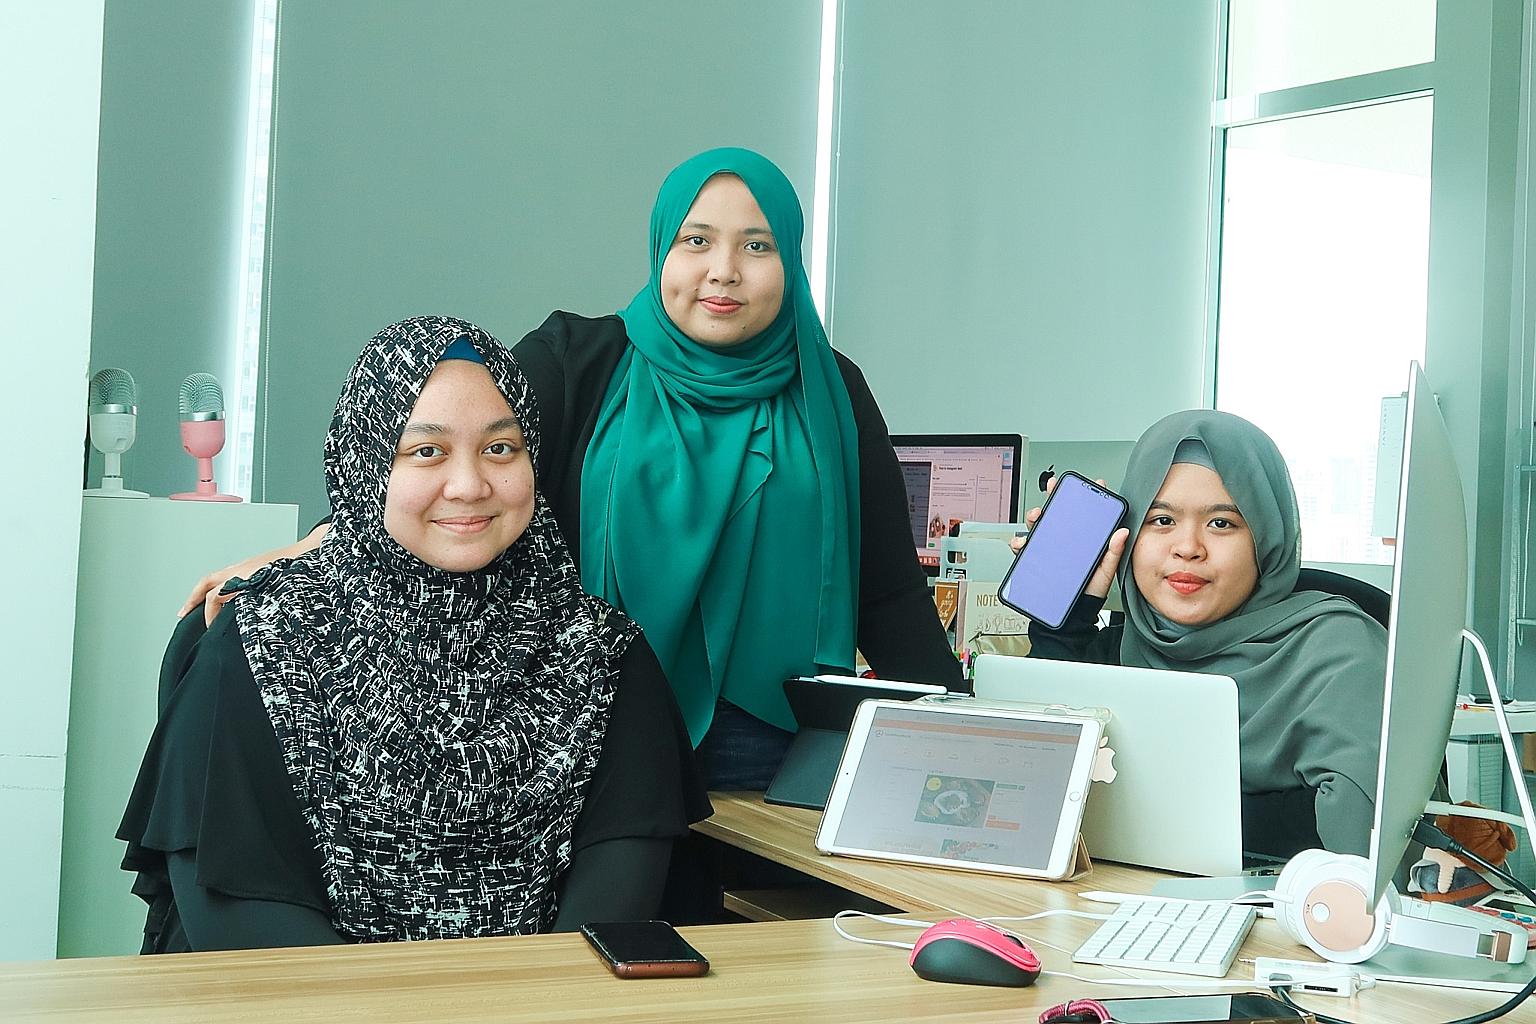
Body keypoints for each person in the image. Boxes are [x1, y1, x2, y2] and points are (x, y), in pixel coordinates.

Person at [179, 149, 964, 789]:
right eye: (697, 241)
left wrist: (971, 734)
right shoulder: (578, 360)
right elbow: (453, 478)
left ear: (789, 260)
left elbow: (887, 590)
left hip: (783, 752)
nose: (723, 270)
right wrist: (305, 551)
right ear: (662, 248)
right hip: (593, 730)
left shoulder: (833, 390)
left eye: (756, 246)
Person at [120, 316, 709, 952]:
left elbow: (612, 913)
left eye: (501, 449)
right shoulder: (263, 642)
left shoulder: (603, 654)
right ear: (364, 466)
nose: (470, 485)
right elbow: (240, 913)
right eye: (426, 451)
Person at [1022, 410, 1387, 858]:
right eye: (1160, 520)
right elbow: (1023, 788)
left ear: (1266, 539)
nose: (1188, 547)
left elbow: (1361, 831)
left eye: (1221, 523)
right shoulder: (1119, 651)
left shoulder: (1341, 653)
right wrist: (1063, 620)